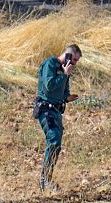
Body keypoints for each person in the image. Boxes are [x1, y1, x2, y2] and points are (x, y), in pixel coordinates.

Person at [34, 44, 81, 191]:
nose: (74, 63)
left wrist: (67, 97)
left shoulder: (64, 71)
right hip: (46, 109)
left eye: (76, 61)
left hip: (56, 111)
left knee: (57, 144)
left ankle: (47, 179)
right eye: (73, 59)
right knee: (53, 139)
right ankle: (44, 180)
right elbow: (49, 86)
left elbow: (63, 90)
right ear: (67, 55)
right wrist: (65, 74)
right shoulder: (51, 64)